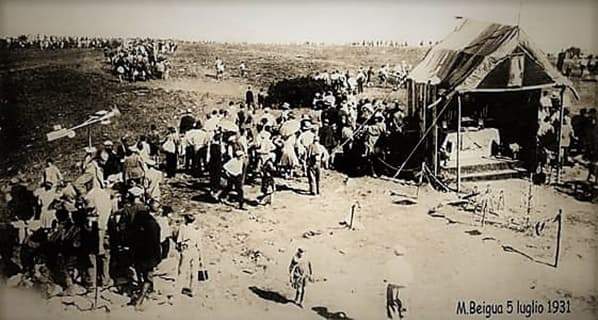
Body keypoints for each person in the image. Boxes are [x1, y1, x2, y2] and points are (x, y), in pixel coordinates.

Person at [128, 199, 161, 310]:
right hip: (149, 254)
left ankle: (142, 291)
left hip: (137, 252)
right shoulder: (154, 225)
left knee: (140, 273)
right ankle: (140, 300)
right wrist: (158, 257)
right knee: (148, 277)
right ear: (157, 210)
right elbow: (156, 243)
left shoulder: (139, 218)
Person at [176, 212, 202, 297]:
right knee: (194, 271)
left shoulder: (182, 228)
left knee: (182, 271)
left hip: (186, 250)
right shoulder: (197, 229)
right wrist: (201, 257)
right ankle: (193, 290)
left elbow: (178, 241)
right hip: (195, 250)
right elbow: (199, 244)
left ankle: (178, 289)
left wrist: (180, 249)